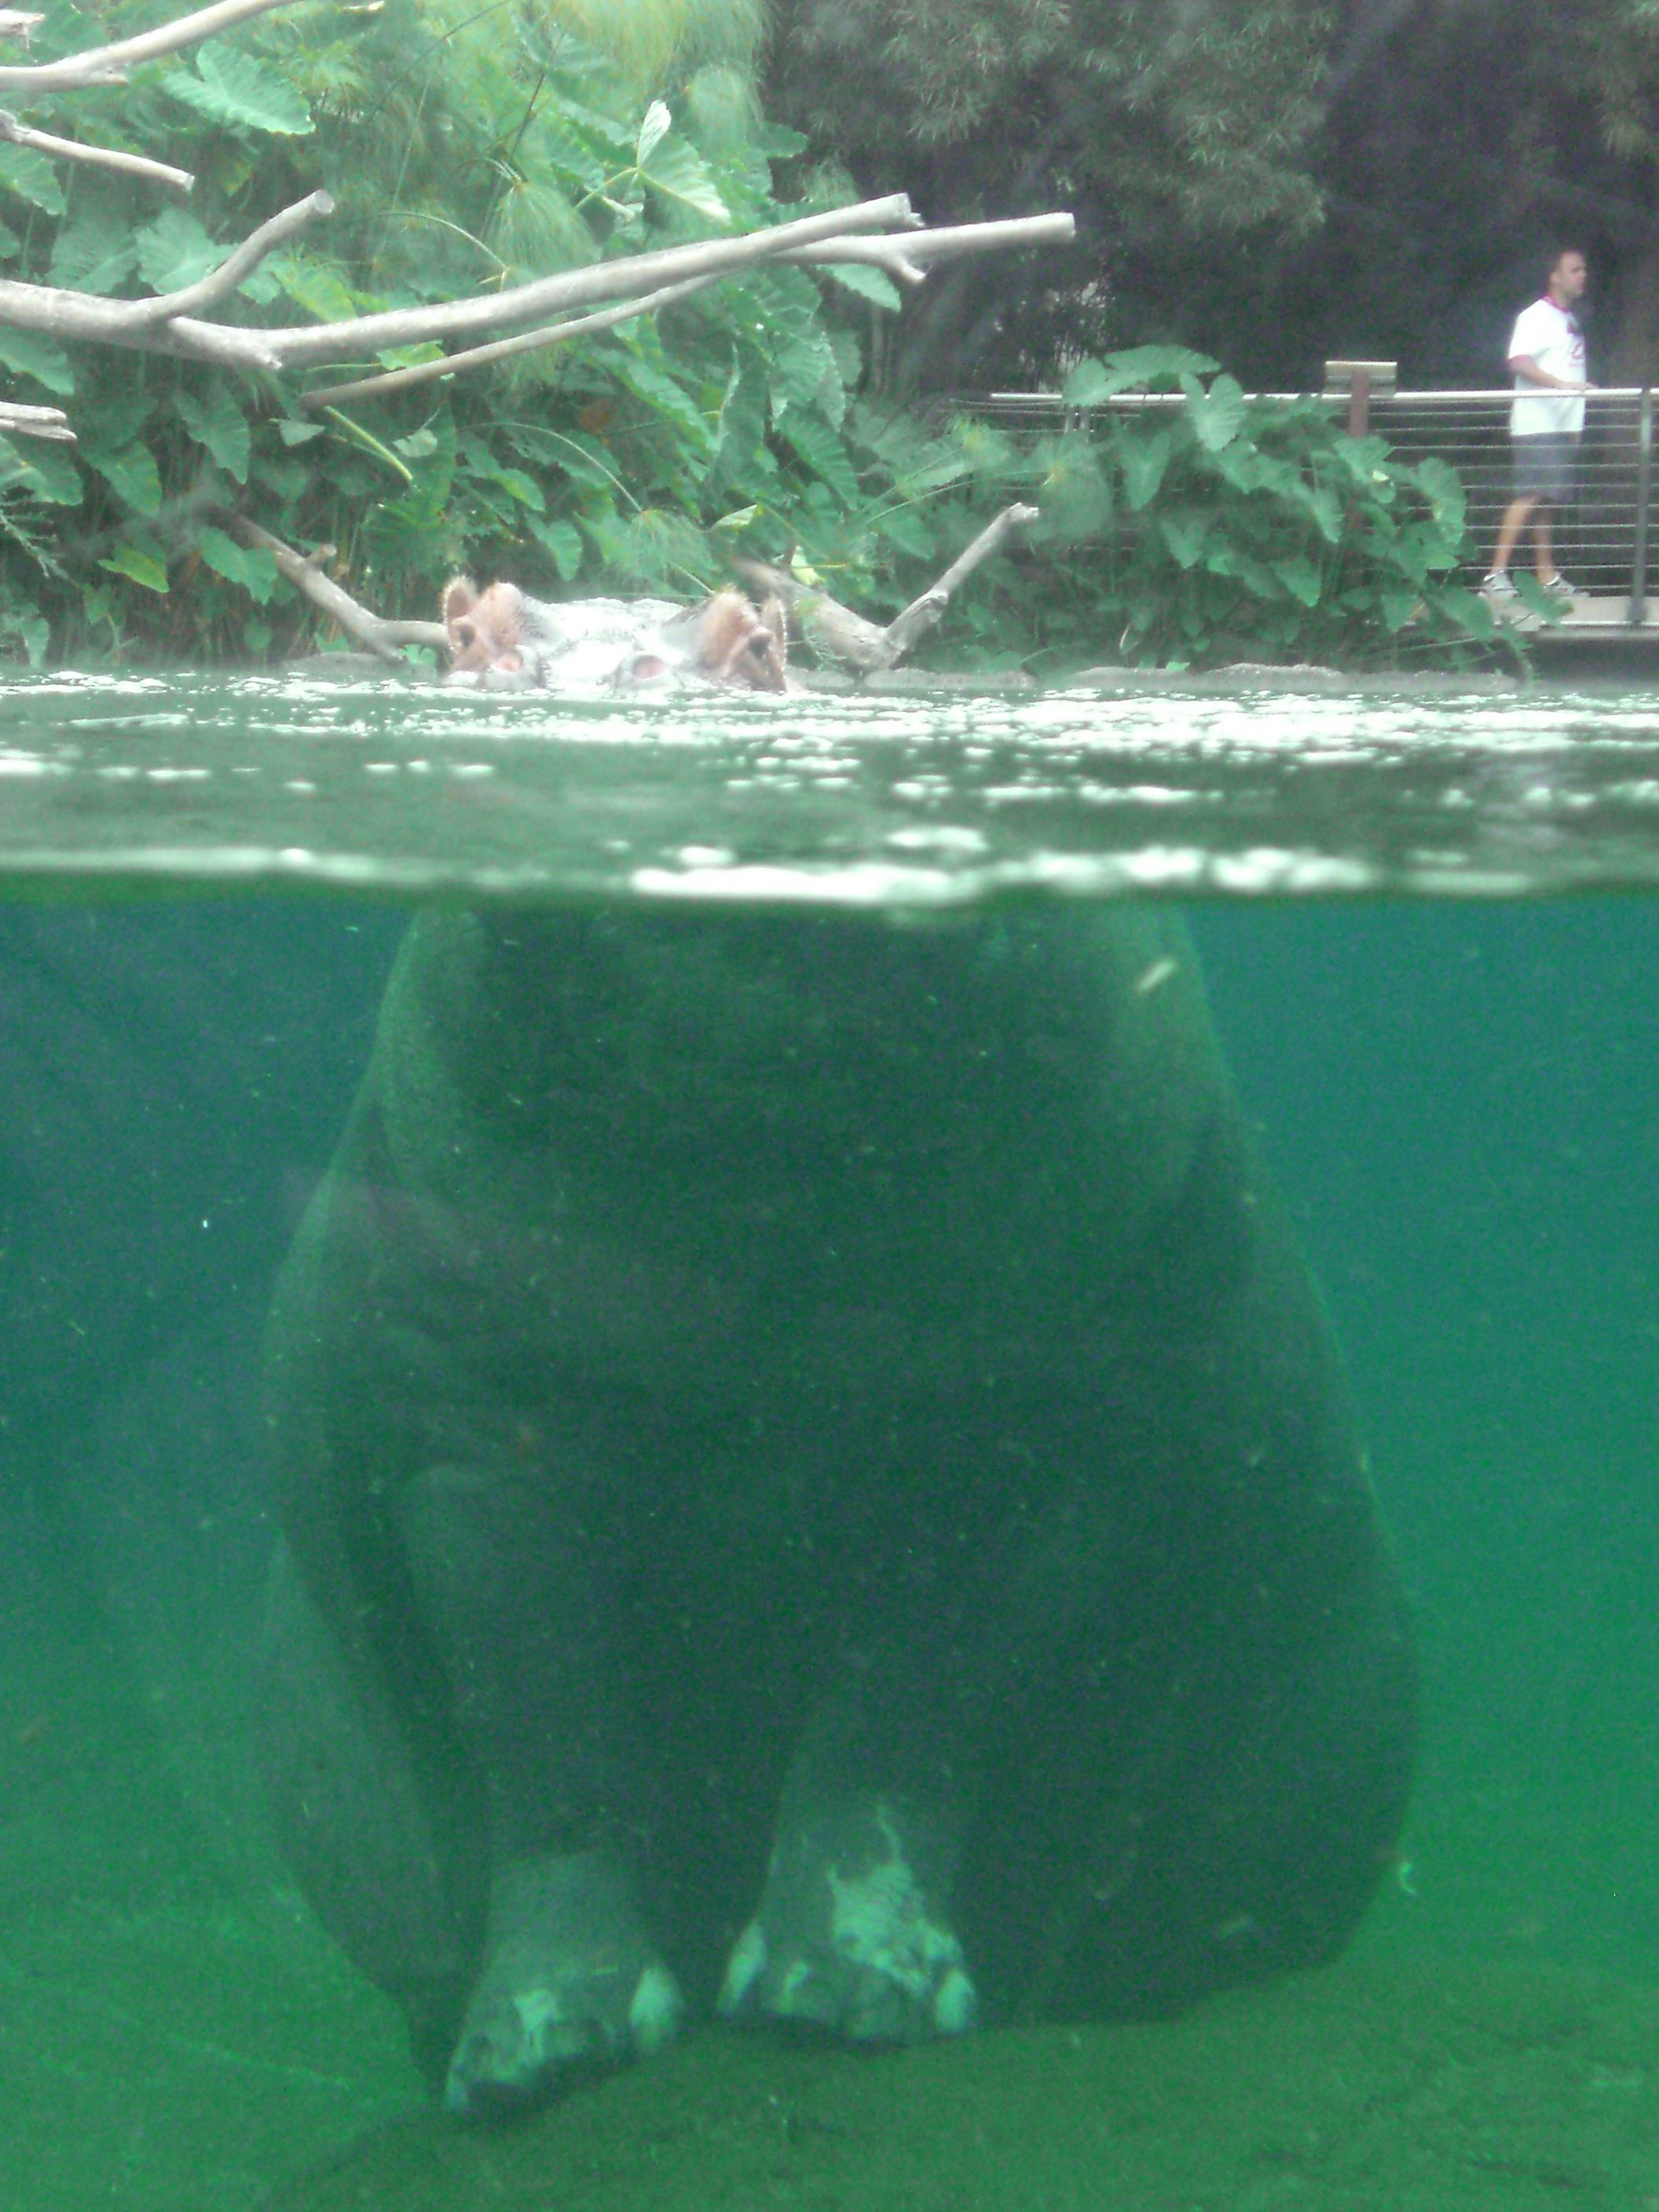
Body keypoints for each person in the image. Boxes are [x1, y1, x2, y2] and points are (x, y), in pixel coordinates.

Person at [1483, 248, 1591, 599]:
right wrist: (1562, 386)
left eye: (1584, 270)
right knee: (1530, 495)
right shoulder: (1535, 316)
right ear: (1555, 277)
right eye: (1574, 270)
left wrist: (1573, 425)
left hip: (1562, 427)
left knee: (1546, 501)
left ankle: (1546, 576)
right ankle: (1495, 576)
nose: (1583, 275)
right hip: (1537, 423)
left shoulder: (1568, 319)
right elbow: (1518, 362)